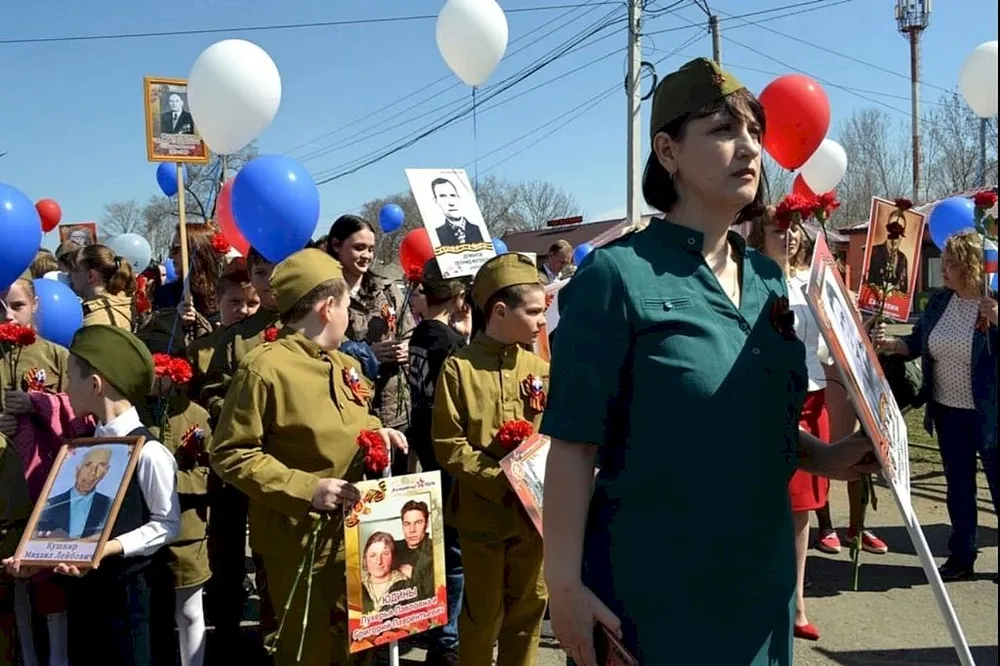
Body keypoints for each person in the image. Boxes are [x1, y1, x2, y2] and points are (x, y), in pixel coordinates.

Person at [538, 58, 878, 666]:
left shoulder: (771, 282)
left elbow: (754, 418)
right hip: (655, 593)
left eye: (753, 131)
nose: (749, 146)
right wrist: (563, 585)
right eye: (723, 130)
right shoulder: (616, 277)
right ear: (668, 152)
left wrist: (825, 457)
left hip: (761, 586)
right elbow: (572, 445)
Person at [210, 248, 407, 666]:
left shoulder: (342, 363)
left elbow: (349, 420)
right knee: (309, 653)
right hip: (299, 546)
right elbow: (230, 453)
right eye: (346, 306)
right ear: (327, 307)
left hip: (357, 537)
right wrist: (307, 489)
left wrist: (376, 431)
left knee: (357, 651)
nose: (349, 315)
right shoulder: (265, 369)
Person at [5, 325, 182, 666]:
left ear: (96, 384)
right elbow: (67, 519)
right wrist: (33, 559)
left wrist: (107, 548)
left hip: (132, 604)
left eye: (71, 377)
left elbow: (167, 524)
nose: (66, 388)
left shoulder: (149, 452)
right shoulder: (82, 448)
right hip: (86, 598)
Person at [432, 252, 549, 666]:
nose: (541, 321)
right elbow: (448, 443)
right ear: (500, 311)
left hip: (533, 520)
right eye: (534, 311)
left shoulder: (539, 367)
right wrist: (502, 479)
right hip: (482, 516)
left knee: (528, 609)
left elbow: (552, 433)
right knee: (482, 615)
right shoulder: (458, 369)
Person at [874, 230, 998, 583]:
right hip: (947, 412)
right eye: (943, 262)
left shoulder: (993, 301)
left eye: (953, 264)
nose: (944, 270)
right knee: (959, 489)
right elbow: (918, 343)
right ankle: (962, 557)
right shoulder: (940, 302)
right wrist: (892, 344)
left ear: (972, 267)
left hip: (990, 413)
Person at [748, 210, 836, 641]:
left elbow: (830, 344)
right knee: (761, 504)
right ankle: (757, 593)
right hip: (764, 404)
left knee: (801, 509)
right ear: (759, 235)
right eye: (779, 229)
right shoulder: (747, 280)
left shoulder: (813, 282)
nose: (790, 236)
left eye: (795, 229)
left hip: (812, 396)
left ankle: (797, 599)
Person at [406, 258, 470, 665]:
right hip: (446, 452)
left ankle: (434, 624)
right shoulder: (450, 344)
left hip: (424, 446)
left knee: (436, 542)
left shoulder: (418, 336)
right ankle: (447, 637)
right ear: (459, 296)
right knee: (454, 549)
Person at [325, 215, 413, 472]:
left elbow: (409, 330)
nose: (366, 256)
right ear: (336, 245)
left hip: (394, 406)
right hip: (350, 405)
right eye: (359, 248)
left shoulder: (386, 289)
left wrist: (405, 347)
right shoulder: (327, 291)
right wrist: (366, 353)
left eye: (371, 249)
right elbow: (321, 342)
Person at [34, 447, 113, 539]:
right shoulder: (48, 506)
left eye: (101, 466)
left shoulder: (113, 506)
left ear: (106, 472)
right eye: (88, 465)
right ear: (77, 469)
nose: (93, 472)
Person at [70, 245, 136, 330]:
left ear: (90, 275)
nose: (69, 274)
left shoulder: (97, 323)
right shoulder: (120, 304)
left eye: (74, 269)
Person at [360, 532, 414, 613]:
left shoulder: (405, 584)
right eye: (373, 555)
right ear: (365, 558)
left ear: (393, 557)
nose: (379, 561)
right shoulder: (357, 582)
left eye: (385, 554)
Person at [394, 500, 434, 600]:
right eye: (407, 524)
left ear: (427, 524)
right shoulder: (392, 549)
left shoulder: (434, 550)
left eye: (418, 523)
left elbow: (434, 594)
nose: (412, 530)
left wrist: (414, 574)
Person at [431, 177, 486, 247]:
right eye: (443, 196)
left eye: (453, 195)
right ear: (436, 201)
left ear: (459, 198)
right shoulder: (436, 235)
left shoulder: (479, 230)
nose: (451, 203)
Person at [865, 216, 909, 294]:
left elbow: (904, 285)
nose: (895, 241)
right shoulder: (874, 252)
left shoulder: (902, 258)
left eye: (898, 237)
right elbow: (867, 280)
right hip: (876, 299)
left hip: (896, 302)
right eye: (893, 236)